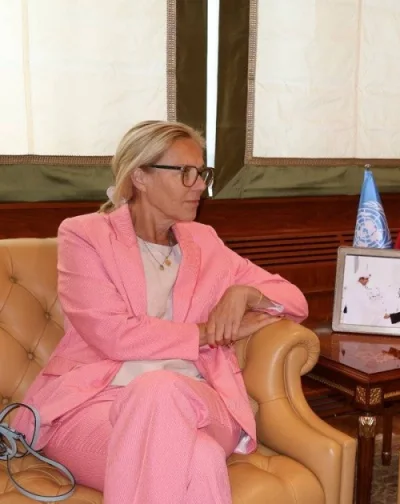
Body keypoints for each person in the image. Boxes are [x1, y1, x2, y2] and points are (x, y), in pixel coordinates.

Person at [10, 120, 309, 504]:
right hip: (93, 404)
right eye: (185, 173)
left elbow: (294, 301)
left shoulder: (204, 241)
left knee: (160, 389)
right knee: (200, 460)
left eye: (202, 173)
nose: (199, 185)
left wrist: (244, 293)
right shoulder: (85, 236)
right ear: (140, 176)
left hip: (198, 401)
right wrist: (205, 332)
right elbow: (112, 334)